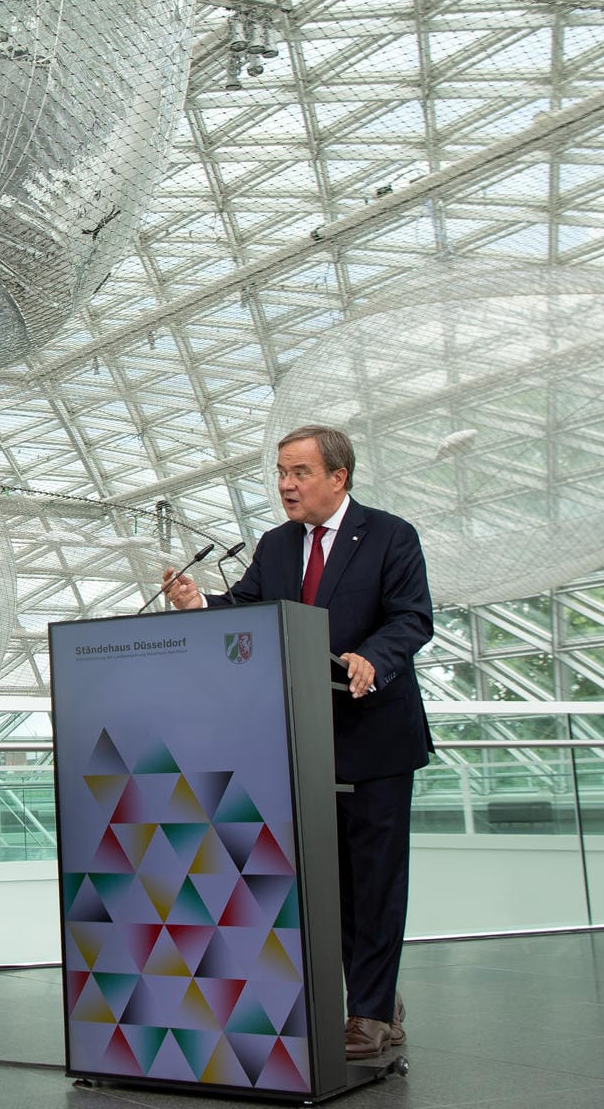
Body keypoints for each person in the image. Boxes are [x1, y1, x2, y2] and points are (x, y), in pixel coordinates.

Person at [163, 425, 432, 1060]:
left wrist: (371, 657)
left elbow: (411, 617)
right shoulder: (277, 545)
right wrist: (201, 602)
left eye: (300, 473)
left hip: (375, 739)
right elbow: (253, 609)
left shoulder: (391, 535)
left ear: (339, 478)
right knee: (331, 884)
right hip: (302, 741)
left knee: (377, 880)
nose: (286, 485)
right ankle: (377, 993)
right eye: (282, 472)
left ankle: (368, 1011)